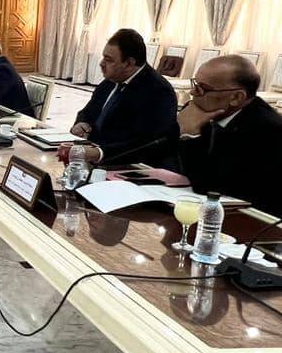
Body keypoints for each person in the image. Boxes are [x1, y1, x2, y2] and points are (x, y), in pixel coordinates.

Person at [176, 55, 282, 215]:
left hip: (252, 219)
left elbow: (212, 187)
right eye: (195, 84)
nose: (193, 92)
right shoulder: (205, 112)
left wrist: (190, 137)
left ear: (236, 97)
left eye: (202, 88)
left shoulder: (267, 131)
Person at [68, 28, 178, 166]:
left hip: (129, 166)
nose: (101, 63)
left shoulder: (159, 92)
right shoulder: (111, 80)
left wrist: (100, 153)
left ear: (129, 63)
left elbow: (146, 144)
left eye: (108, 60)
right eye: (103, 57)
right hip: (91, 156)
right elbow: (87, 112)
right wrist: (81, 123)